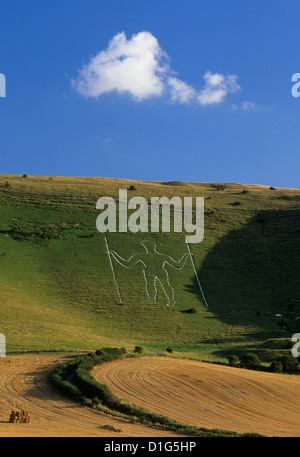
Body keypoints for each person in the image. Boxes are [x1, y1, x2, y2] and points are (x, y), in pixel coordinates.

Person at [110, 240, 188, 306]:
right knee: (156, 284)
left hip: (153, 271)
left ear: (146, 247)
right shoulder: (161, 256)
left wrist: (114, 254)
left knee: (158, 284)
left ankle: (166, 300)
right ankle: (158, 300)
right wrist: (186, 256)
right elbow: (178, 265)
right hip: (155, 271)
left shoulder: (143, 256)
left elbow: (127, 264)